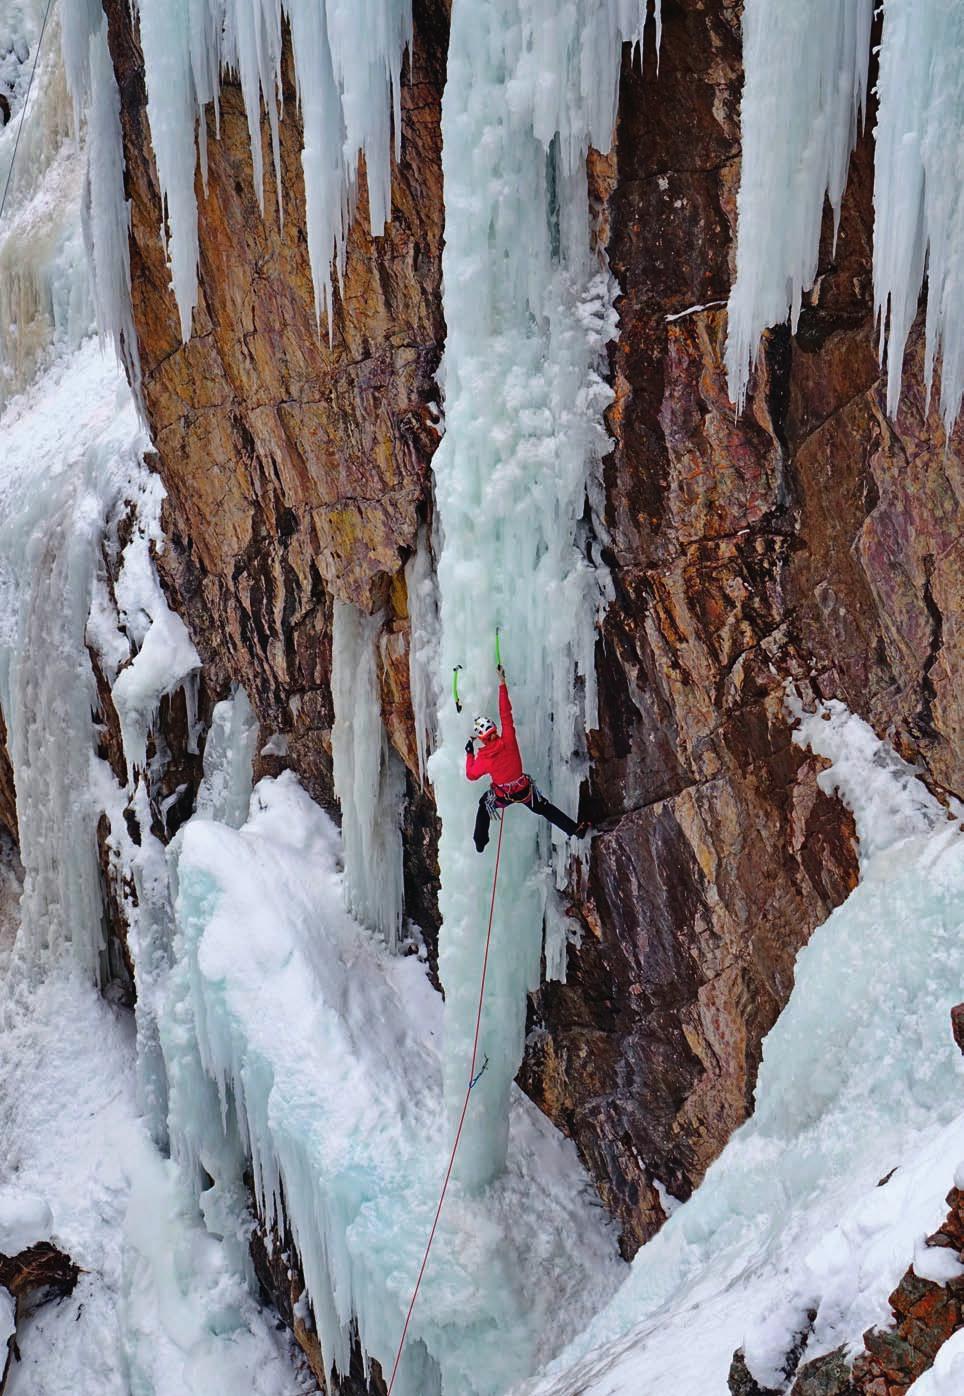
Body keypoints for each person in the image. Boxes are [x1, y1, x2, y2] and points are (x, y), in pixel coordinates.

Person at [465, 665, 589, 853]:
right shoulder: (508, 739)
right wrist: (502, 684)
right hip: (524, 791)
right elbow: (505, 713)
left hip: (502, 796)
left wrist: (469, 754)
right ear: (495, 730)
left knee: (484, 805)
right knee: (545, 809)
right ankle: (574, 830)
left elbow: (471, 775)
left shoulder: (483, 758)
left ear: (481, 739)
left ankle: (480, 842)